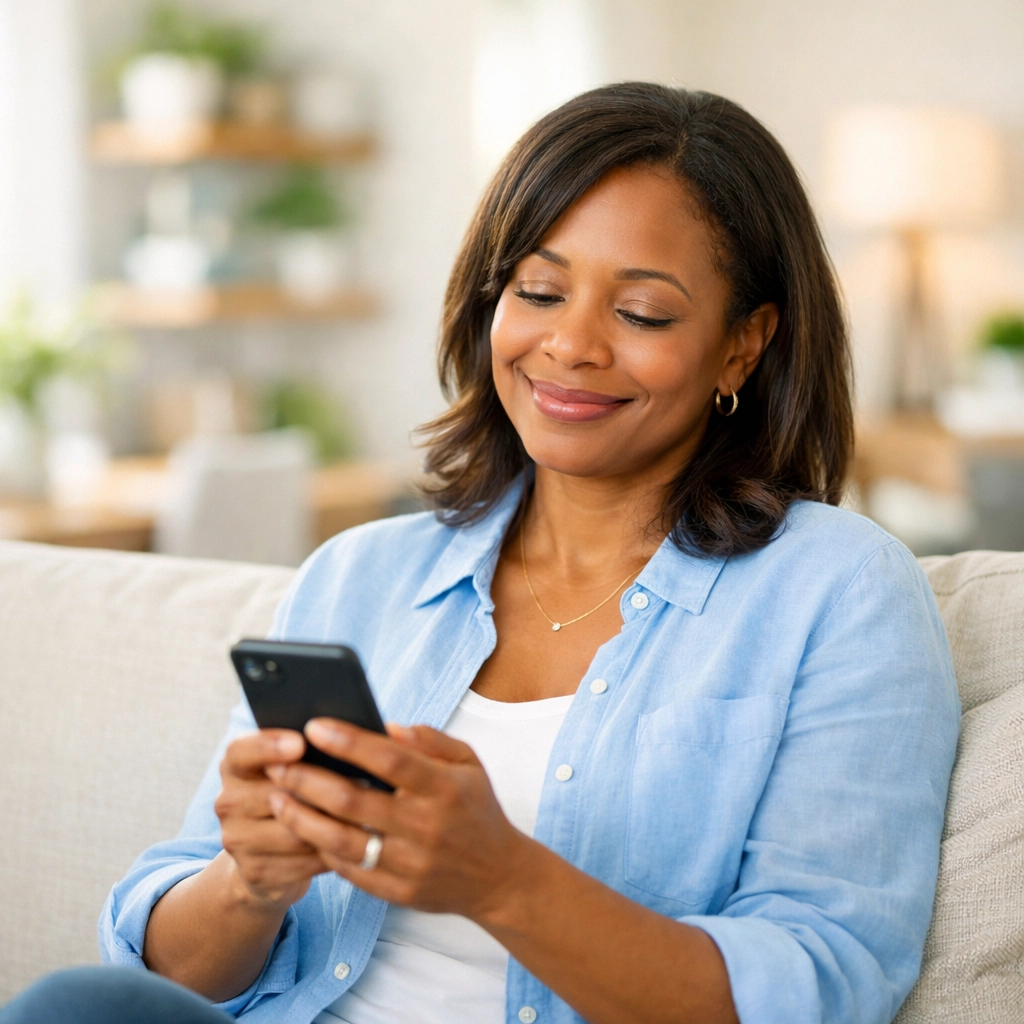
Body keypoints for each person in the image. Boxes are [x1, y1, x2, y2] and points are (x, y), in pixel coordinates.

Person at [2, 83, 959, 1024]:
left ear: (743, 346)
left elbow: (822, 985)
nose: (571, 345)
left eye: (643, 314)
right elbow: (168, 975)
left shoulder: (839, 590)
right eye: (539, 291)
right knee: (79, 1006)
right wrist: (250, 880)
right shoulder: (361, 575)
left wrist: (504, 880)